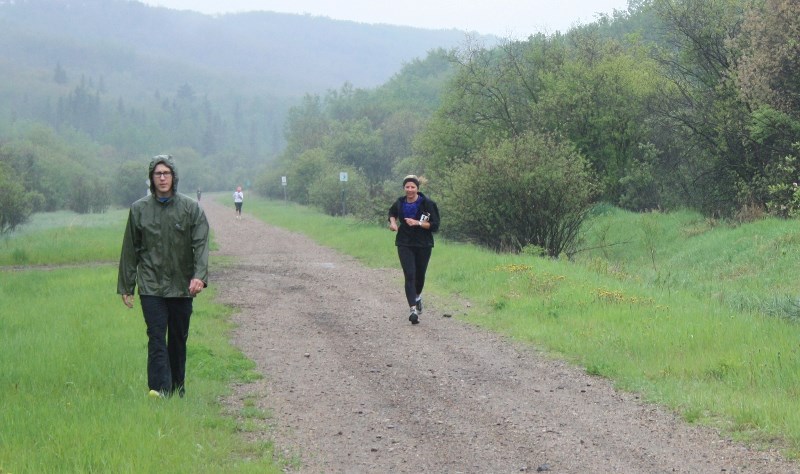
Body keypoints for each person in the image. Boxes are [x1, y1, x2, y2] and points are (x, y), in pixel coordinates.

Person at [117, 155, 209, 399]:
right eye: (157, 173)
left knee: (178, 338)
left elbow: (201, 244)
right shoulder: (139, 210)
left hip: (182, 286)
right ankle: (160, 390)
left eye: (166, 173)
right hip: (151, 285)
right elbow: (130, 249)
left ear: (174, 177)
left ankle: (177, 388)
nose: (162, 177)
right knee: (156, 336)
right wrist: (127, 285)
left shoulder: (190, 208)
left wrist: (199, 276)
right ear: (151, 178)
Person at [388, 175, 440, 324]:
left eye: (413, 187)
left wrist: (417, 223)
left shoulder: (428, 204)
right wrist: (393, 223)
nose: (410, 190)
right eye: (407, 187)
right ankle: (413, 310)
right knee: (409, 274)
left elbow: (435, 225)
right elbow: (392, 213)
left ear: (417, 188)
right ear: (404, 188)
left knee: (420, 275)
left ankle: (417, 297)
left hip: (423, 244)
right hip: (404, 243)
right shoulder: (400, 202)